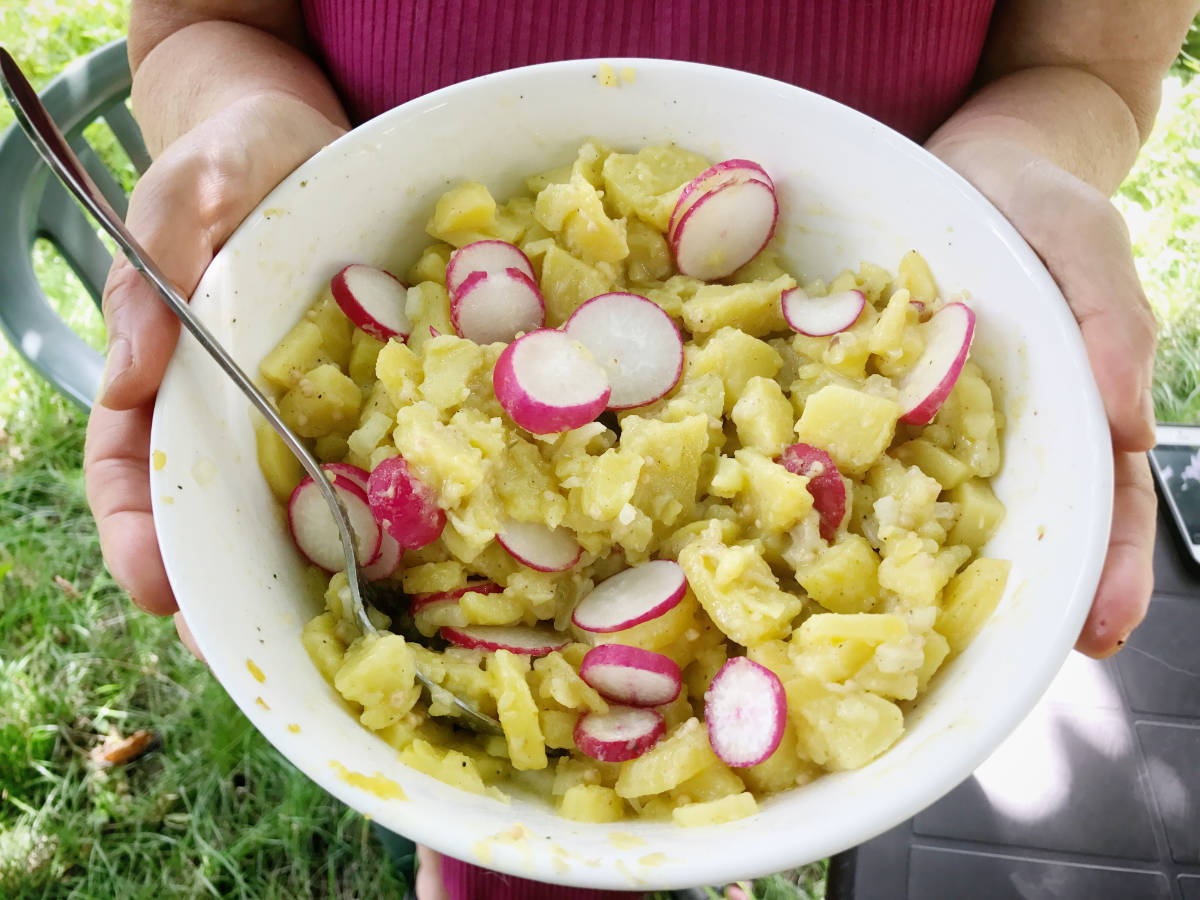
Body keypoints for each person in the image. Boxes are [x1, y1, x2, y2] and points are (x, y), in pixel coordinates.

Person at [86, 1, 1199, 897]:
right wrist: (241, 119)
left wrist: (1009, 173)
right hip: (382, 217)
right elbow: (202, 22)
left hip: (819, 268)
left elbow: (1086, 64)